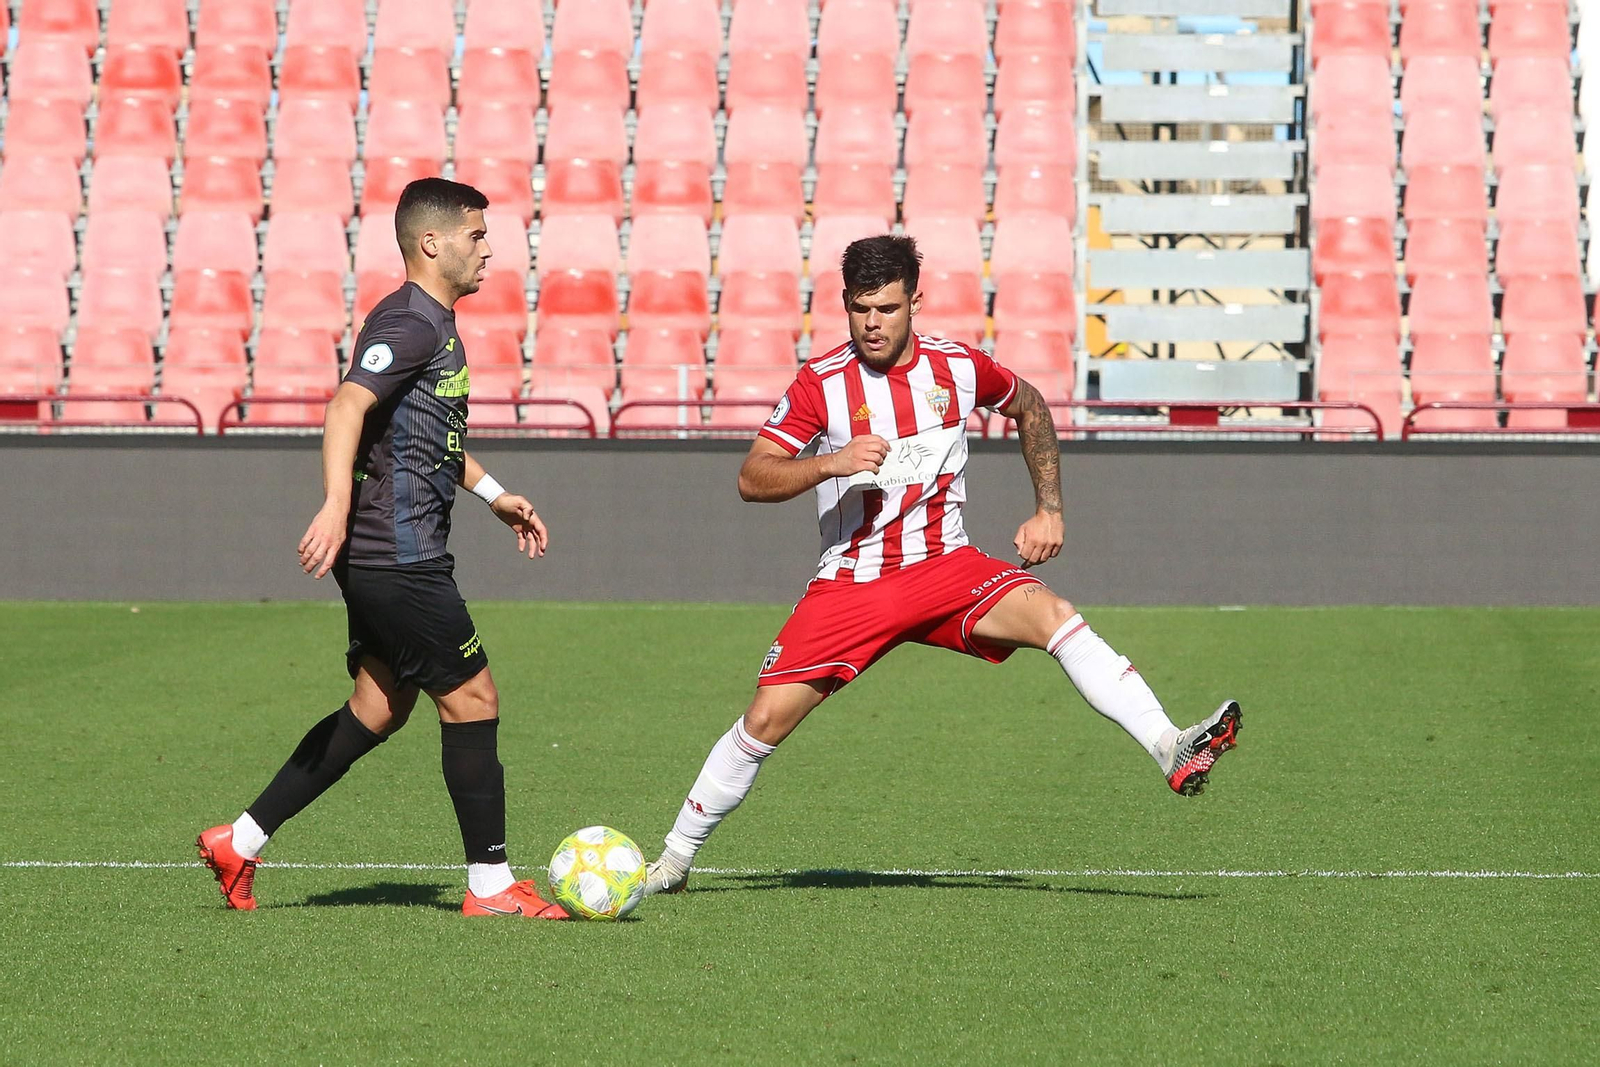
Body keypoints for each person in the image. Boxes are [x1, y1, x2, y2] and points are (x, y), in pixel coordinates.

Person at [645, 235, 1242, 895]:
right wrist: (832, 462)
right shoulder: (822, 383)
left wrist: (1049, 508)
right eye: (860, 308)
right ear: (844, 305)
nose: (873, 323)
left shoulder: (958, 368)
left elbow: (1031, 405)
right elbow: (753, 477)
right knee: (763, 721)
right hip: (854, 583)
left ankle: (1169, 745)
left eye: (888, 308)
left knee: (1055, 615)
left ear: (915, 302)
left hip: (946, 567)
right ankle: (673, 861)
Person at [197, 178, 566, 919]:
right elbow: (346, 406)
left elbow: (429, 432)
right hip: (398, 557)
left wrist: (495, 493)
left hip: (387, 555)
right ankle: (491, 886)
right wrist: (335, 503)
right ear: (432, 243)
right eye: (476, 235)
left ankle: (238, 838)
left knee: (378, 705)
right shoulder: (411, 322)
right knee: (473, 698)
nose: (487, 248)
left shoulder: (433, 323)